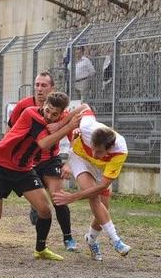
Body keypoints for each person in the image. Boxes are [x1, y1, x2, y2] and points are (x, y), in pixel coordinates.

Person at [0, 92, 82, 261]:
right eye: (47, 110)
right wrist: (67, 126)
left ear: (62, 113)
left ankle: (40, 249)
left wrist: (63, 122)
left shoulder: (58, 119)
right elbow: (44, 143)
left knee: (45, 210)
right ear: (43, 105)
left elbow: (84, 108)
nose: (49, 116)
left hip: (23, 170)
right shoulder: (31, 114)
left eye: (55, 114)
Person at [8, 71, 78, 251]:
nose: (39, 89)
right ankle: (36, 208)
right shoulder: (23, 106)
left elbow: (74, 140)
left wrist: (69, 163)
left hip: (50, 160)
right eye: (37, 84)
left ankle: (68, 238)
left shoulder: (63, 113)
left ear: (51, 88)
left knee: (58, 197)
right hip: (27, 162)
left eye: (44, 85)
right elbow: (11, 131)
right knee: (41, 206)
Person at [53, 105, 131, 261]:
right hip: (79, 158)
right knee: (94, 197)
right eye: (93, 148)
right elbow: (84, 106)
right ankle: (115, 240)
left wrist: (72, 197)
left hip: (98, 167)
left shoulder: (120, 151)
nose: (94, 153)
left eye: (99, 152)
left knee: (103, 207)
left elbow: (102, 186)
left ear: (110, 149)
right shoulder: (88, 126)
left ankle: (91, 239)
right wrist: (60, 125)